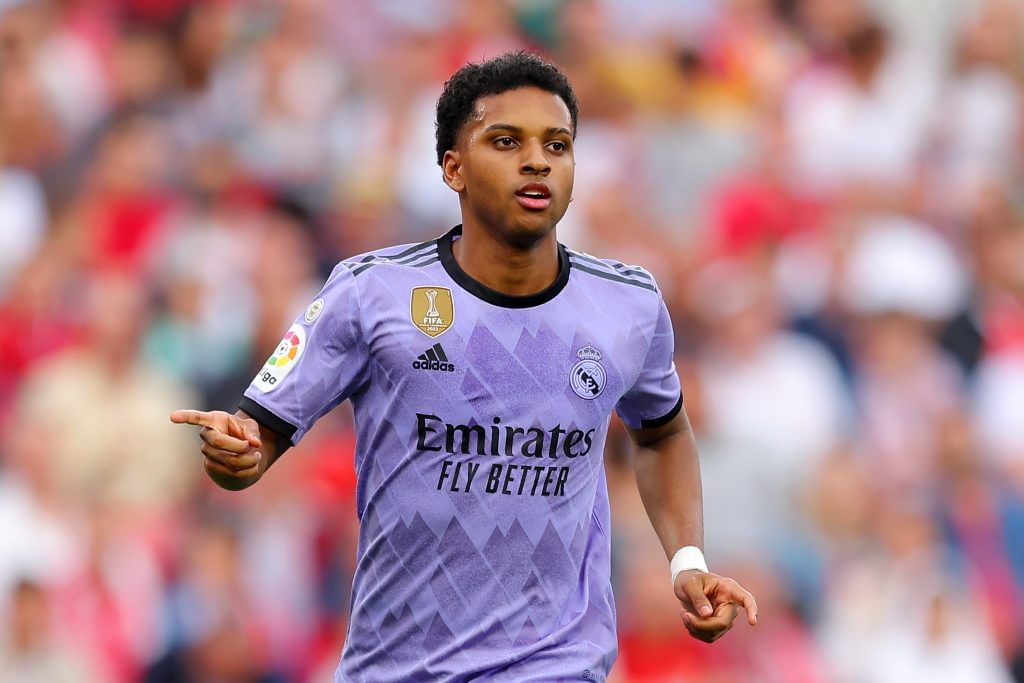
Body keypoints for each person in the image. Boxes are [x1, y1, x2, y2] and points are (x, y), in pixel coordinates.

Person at [171, 51, 757, 682]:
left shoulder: (628, 305)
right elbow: (257, 440)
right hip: (398, 665)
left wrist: (687, 559)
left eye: (557, 145)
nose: (537, 160)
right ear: (453, 168)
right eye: (506, 142)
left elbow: (662, 430)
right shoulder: (371, 294)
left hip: (557, 665)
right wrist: (236, 457)